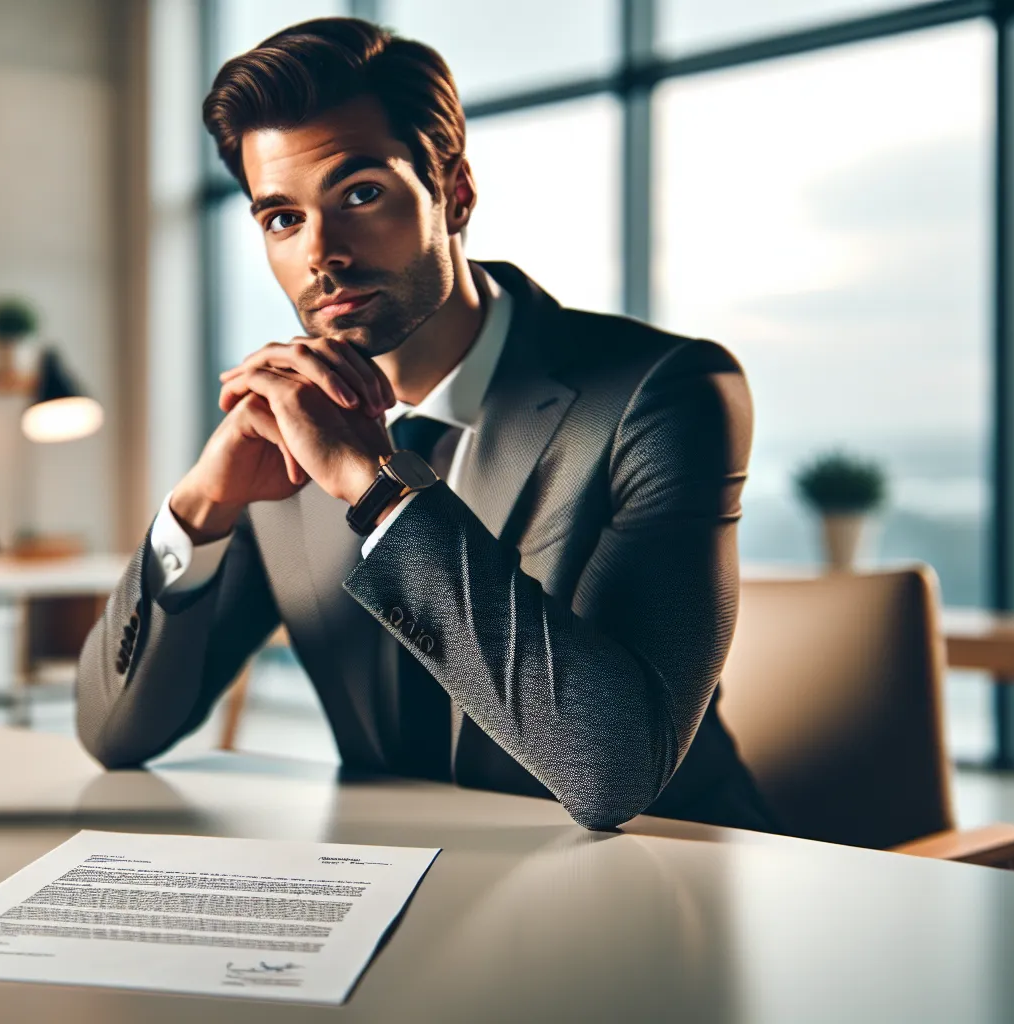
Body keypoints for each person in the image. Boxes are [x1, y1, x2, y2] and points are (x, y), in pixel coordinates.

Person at [75, 17, 773, 832]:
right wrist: (197, 509)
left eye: (360, 194)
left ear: (456, 192)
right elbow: (114, 732)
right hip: (393, 891)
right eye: (282, 219)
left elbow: (614, 771)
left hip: (661, 879)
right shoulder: (285, 429)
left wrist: (376, 491)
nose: (322, 252)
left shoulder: (662, 395)